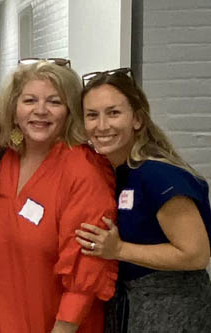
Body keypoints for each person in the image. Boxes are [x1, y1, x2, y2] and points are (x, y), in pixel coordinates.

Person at [0, 60, 118, 333]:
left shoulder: (83, 171)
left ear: (69, 111)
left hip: (60, 326)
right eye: (29, 100)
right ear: (14, 107)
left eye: (54, 102)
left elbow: (87, 269)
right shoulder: (1, 158)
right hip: (5, 320)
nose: (40, 111)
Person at [76, 68, 211, 332]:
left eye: (113, 113)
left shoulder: (157, 175)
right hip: (132, 304)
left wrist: (119, 250)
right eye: (92, 115)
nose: (101, 126)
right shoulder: (114, 172)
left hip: (172, 308)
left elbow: (196, 254)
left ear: (137, 119)